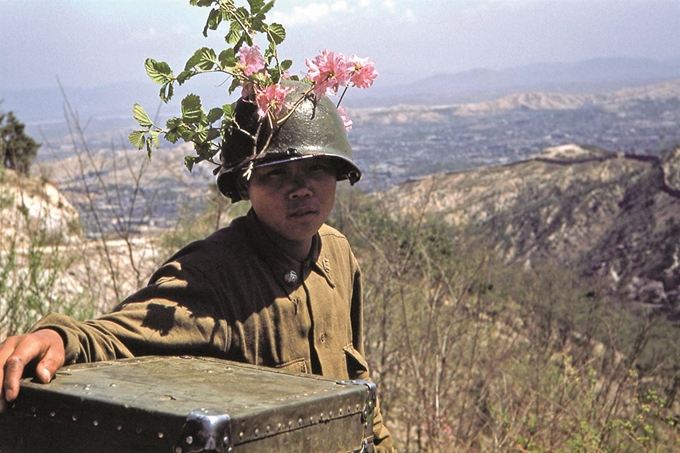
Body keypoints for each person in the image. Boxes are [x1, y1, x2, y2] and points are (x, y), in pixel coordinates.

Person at [0, 81, 396, 451]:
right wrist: (58, 338)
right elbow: (120, 335)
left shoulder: (338, 254)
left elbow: (359, 392)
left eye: (316, 168)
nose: (301, 188)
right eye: (276, 173)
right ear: (245, 186)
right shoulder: (213, 274)